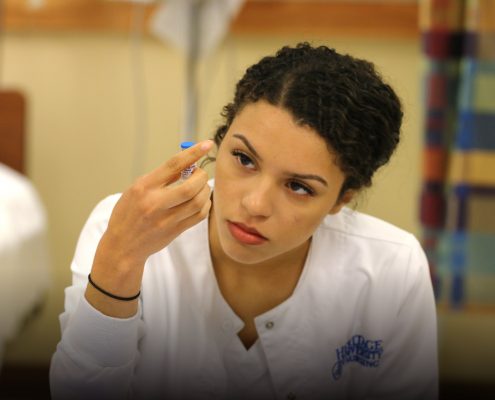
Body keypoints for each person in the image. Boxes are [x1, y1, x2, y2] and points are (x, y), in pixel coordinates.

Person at [50, 43, 438, 400]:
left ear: (342, 199)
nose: (254, 204)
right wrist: (120, 261)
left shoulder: (391, 268)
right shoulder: (125, 228)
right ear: (220, 141)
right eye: (244, 159)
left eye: (299, 187)